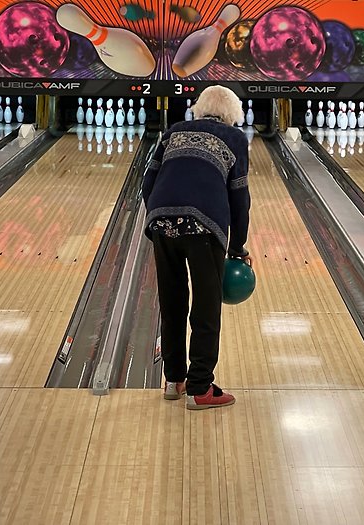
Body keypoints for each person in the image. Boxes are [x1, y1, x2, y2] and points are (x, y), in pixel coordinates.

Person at [143, 85, 251, 410]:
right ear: (233, 115)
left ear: (198, 109)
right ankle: (200, 388)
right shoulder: (235, 139)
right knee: (206, 308)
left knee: (172, 302)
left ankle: (174, 380)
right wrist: (237, 247)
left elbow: (147, 182)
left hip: (162, 220)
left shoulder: (173, 131)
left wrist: (162, 213)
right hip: (205, 224)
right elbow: (239, 197)